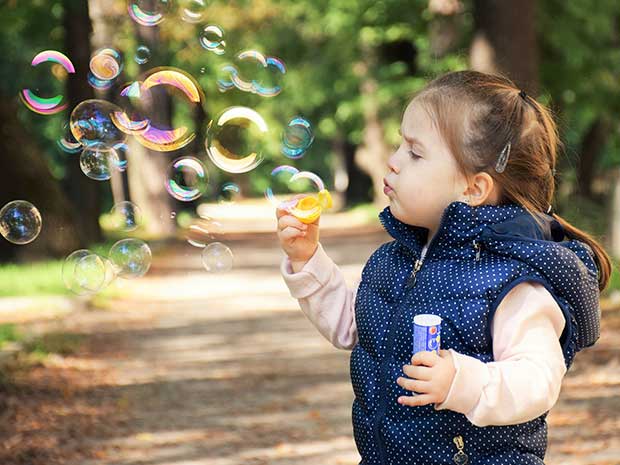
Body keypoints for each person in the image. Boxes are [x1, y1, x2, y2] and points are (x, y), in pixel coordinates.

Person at [276, 70, 611, 465]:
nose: (394, 161)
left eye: (415, 153)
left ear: (473, 188)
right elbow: (354, 325)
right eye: (401, 145)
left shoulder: (510, 281)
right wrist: (307, 259)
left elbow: (538, 379)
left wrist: (462, 382)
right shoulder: (394, 259)